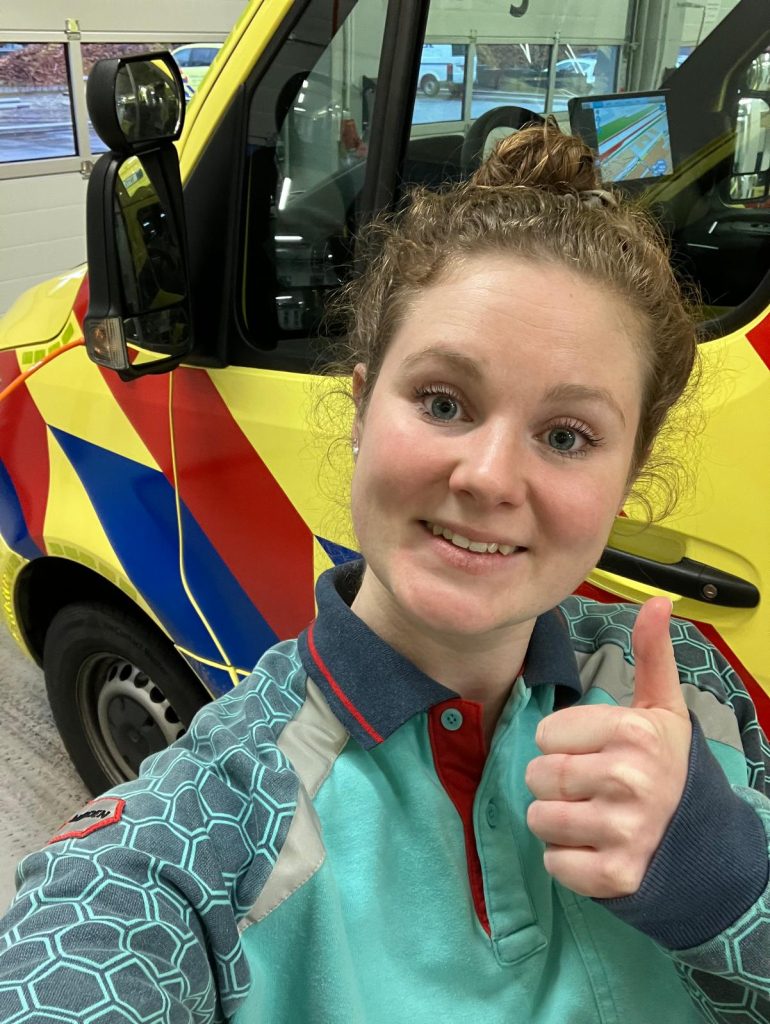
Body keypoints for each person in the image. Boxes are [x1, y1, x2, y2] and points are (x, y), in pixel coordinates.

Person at [1, 125, 769, 1024]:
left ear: (628, 477)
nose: (489, 477)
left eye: (567, 436)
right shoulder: (218, 818)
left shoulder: (692, 689)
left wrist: (728, 891)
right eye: (443, 402)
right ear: (363, 406)